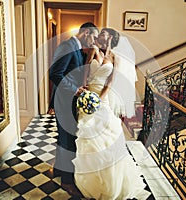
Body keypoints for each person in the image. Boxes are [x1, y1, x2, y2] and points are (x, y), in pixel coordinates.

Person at [72, 28, 151, 199]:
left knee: (108, 135)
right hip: (88, 96)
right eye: (99, 34)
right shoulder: (93, 51)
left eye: (103, 34)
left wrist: (98, 100)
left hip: (103, 99)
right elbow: (85, 76)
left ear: (111, 38)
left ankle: (111, 178)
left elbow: (110, 82)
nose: (100, 36)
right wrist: (87, 95)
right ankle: (90, 177)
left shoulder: (116, 58)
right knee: (87, 136)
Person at [49, 22, 99, 197]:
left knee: (64, 136)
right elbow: (55, 73)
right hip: (64, 100)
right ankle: (67, 182)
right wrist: (75, 89)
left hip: (68, 100)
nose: (94, 42)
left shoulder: (77, 48)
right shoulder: (67, 46)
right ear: (86, 32)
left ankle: (57, 170)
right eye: (93, 37)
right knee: (69, 139)